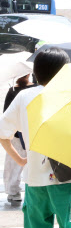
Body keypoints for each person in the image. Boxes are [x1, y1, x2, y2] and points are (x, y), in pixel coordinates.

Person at [0, 48, 71, 228]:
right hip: (68, 181)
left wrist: (21, 159)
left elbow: (3, 134)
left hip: (34, 182)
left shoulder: (24, 96)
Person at [2, 73, 36, 203]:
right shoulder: (36, 88)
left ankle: (13, 192)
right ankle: (32, 188)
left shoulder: (12, 90)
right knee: (32, 161)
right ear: (29, 75)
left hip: (16, 133)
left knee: (13, 164)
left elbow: (6, 113)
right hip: (31, 132)